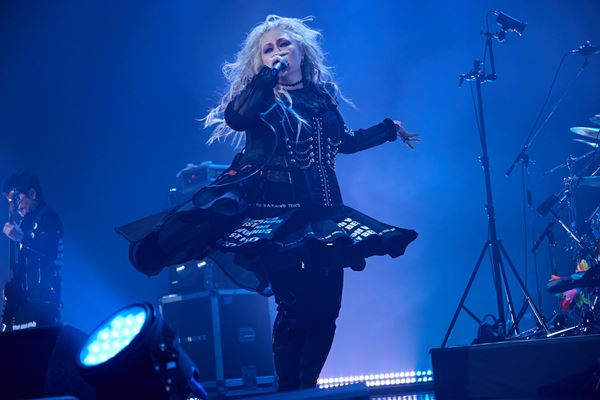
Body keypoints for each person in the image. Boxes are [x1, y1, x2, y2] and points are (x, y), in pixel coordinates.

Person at [122, 15, 418, 391]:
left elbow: (345, 141)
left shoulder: (323, 98)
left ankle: (307, 389)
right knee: (295, 309)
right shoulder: (261, 100)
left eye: (284, 44)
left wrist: (388, 129)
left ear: (301, 51)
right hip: (279, 222)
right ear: (260, 60)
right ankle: (288, 390)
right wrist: (265, 79)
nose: (277, 51)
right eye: (268, 49)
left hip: (327, 215)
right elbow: (236, 117)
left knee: (326, 311)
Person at [2, 171, 63, 331]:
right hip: (25, 303)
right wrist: (14, 286)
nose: (14, 207)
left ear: (32, 194)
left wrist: (22, 238)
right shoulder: (25, 224)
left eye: (17, 199)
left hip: (43, 305)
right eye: (10, 202)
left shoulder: (48, 218)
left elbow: (50, 251)